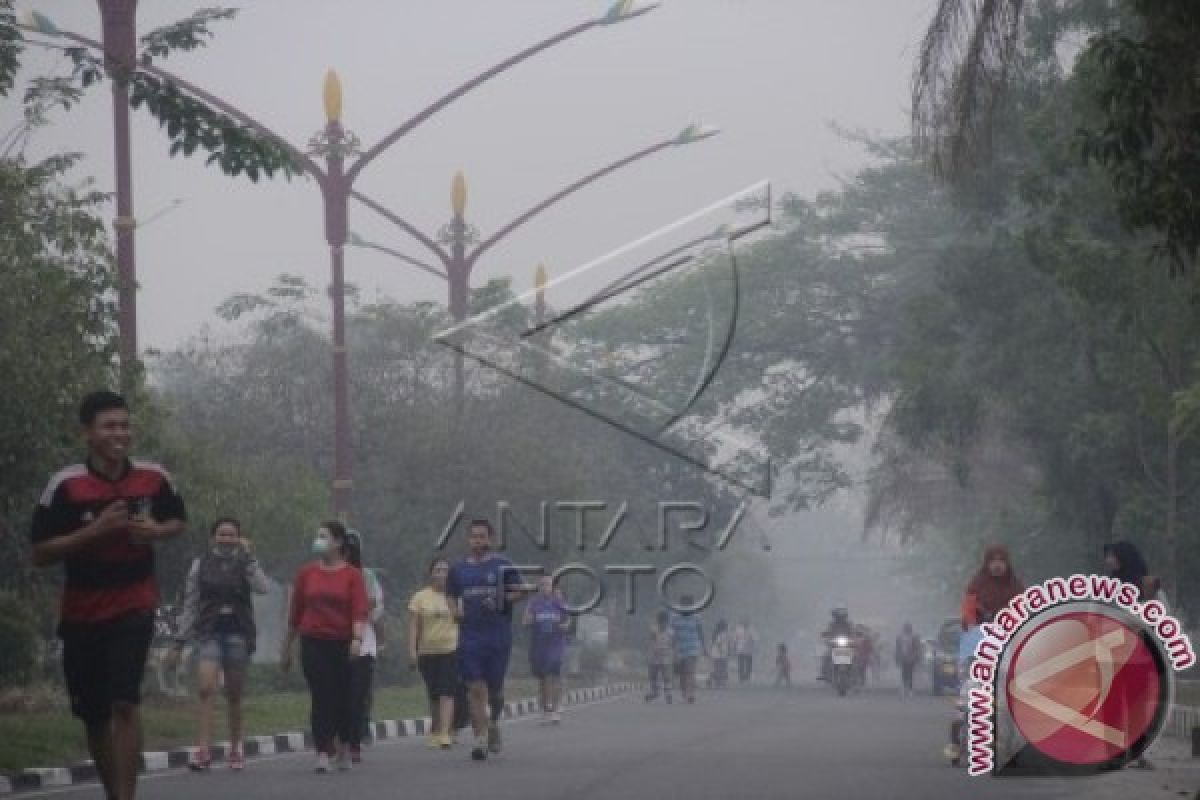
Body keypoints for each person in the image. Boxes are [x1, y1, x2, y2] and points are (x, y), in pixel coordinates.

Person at [30, 390, 187, 800]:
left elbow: (177, 521)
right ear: (88, 432)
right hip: (82, 609)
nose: (120, 433)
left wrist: (157, 531)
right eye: (109, 426)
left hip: (134, 602)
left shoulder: (154, 478)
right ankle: (112, 791)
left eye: (125, 425)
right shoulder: (65, 485)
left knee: (125, 703)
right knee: (95, 716)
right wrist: (94, 531)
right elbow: (40, 553)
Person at [171, 517, 270, 771]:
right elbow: (191, 603)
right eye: (222, 534)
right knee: (205, 688)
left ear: (239, 538)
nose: (226, 539)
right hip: (209, 632)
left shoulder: (245, 562)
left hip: (237, 633)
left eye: (232, 534)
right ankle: (203, 751)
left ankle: (236, 749)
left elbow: (263, 588)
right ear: (213, 537)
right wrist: (180, 640)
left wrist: (250, 557)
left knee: (234, 694)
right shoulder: (200, 564)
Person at [281, 521, 368, 773]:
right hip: (313, 642)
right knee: (321, 696)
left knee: (344, 697)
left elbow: (359, 611)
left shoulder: (352, 575)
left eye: (324, 536)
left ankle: (344, 746)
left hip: (342, 643)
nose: (318, 540)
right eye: (317, 535)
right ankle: (322, 750)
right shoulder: (306, 573)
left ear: (338, 542)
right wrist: (286, 647)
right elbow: (295, 613)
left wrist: (356, 639)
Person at [446, 519, 529, 761]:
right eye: (473, 537)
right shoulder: (458, 569)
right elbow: (450, 595)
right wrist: (454, 610)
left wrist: (502, 600)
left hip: (498, 637)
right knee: (475, 689)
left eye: (482, 536)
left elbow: (522, 591)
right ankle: (480, 740)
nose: (477, 541)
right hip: (471, 637)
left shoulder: (503, 565)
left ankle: (493, 723)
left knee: (495, 692)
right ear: (468, 540)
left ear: (490, 540)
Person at [1103, 540, 1166, 770]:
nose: (1107, 560)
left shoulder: (1146, 584)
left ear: (1123, 557)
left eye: (1111, 555)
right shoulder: (1109, 585)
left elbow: (1159, 612)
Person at [408, 557, 460, 749]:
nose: (441, 574)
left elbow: (462, 620)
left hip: (451, 649)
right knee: (434, 694)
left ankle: (445, 733)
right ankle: (436, 729)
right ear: (431, 573)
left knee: (447, 692)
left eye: (445, 570)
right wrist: (412, 651)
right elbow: (413, 627)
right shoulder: (420, 598)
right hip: (427, 652)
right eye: (437, 570)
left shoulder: (456, 596)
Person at [344, 530, 383, 763]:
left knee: (359, 694)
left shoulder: (367, 577)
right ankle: (338, 739)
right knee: (337, 693)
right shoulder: (326, 573)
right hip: (332, 640)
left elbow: (376, 609)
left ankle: (356, 738)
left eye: (352, 549)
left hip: (364, 642)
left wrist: (364, 610)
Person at [523, 576, 571, 725]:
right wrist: (530, 619)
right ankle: (545, 708)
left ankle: (554, 709)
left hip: (556, 644)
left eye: (548, 585)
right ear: (539, 587)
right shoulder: (534, 603)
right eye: (542, 585)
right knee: (543, 678)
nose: (545, 587)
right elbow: (525, 621)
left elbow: (568, 619)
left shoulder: (559, 602)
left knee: (553, 674)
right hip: (539, 645)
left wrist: (565, 626)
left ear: (552, 587)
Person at [961, 544, 1024, 629]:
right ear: (987, 564)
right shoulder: (977, 585)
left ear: (1006, 564)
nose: (997, 564)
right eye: (993, 561)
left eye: (1001, 561)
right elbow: (968, 611)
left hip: (1009, 631)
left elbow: (1023, 610)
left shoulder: (1016, 586)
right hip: (982, 632)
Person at [670, 597, 706, 704]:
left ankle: (690, 694)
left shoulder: (696, 617)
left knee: (690, 671)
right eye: (684, 605)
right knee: (682, 673)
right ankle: (684, 692)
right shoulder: (674, 616)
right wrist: (671, 647)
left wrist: (704, 647)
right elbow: (670, 632)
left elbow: (700, 632)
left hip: (692, 648)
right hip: (679, 648)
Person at [644, 610, 674, 703]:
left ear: (668, 622)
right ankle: (654, 692)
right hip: (654, 656)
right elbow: (650, 642)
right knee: (653, 675)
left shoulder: (670, 632)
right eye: (661, 622)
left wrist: (674, 653)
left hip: (666, 656)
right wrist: (649, 653)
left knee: (666, 676)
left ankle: (668, 693)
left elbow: (673, 644)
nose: (663, 624)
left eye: (665, 622)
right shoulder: (654, 630)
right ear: (658, 622)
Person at [820, 607, 855, 682]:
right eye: (839, 616)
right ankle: (824, 673)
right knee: (826, 656)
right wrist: (825, 635)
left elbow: (853, 633)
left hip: (847, 646)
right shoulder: (832, 625)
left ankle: (855, 674)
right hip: (834, 645)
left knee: (855, 657)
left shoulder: (848, 624)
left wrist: (854, 638)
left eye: (842, 616)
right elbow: (827, 632)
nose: (840, 618)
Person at [894, 622, 922, 698]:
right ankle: (904, 688)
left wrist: (917, 658)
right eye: (906, 627)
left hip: (911, 658)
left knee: (910, 674)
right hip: (903, 658)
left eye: (908, 627)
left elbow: (917, 648)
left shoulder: (914, 637)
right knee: (904, 674)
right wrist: (897, 658)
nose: (907, 629)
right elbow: (897, 649)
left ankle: (910, 689)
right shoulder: (899, 637)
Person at [732, 618, 757, 684]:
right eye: (744, 622)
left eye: (747, 622)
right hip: (740, 649)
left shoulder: (752, 629)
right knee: (741, 664)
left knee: (749, 664)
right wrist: (734, 647)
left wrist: (752, 644)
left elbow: (755, 638)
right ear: (742, 622)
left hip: (749, 649)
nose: (745, 623)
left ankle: (747, 676)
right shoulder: (738, 629)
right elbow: (735, 639)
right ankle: (741, 677)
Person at [710, 619, 730, 689]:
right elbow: (719, 643)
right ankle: (719, 682)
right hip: (720, 653)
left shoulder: (717, 633)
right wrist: (722, 651)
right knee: (721, 668)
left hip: (716, 653)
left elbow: (714, 643)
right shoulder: (722, 634)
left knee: (718, 668)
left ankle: (717, 682)